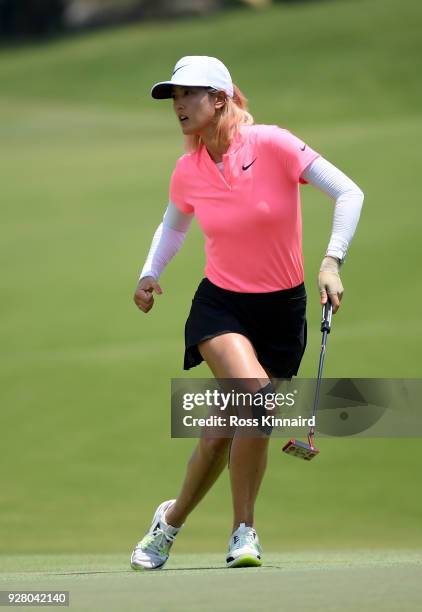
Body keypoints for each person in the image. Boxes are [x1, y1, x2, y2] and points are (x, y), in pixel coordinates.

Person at [130, 56, 364, 570]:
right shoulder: (188, 169)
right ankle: (245, 532)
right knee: (257, 404)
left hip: (283, 311)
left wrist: (331, 261)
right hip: (222, 306)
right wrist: (151, 273)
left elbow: (349, 192)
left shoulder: (274, 144)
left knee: (219, 434)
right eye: (174, 97)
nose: (179, 106)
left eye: (188, 95)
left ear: (220, 99)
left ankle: (167, 524)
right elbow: (173, 227)